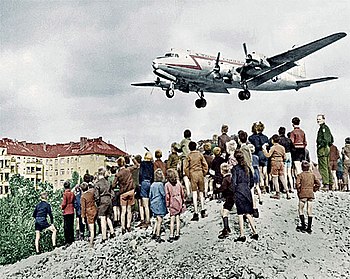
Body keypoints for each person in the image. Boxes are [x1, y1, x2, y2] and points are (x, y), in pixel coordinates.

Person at [231, 150, 258, 242]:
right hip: (247, 191)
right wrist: (247, 188)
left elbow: (233, 183)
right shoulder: (248, 168)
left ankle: (242, 235)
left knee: (240, 214)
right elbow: (252, 182)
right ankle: (255, 232)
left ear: (236, 159)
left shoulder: (235, 169)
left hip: (239, 190)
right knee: (248, 213)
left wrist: (234, 192)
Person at [113, 156, 140, 234]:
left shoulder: (118, 174)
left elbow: (113, 185)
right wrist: (133, 158)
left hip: (123, 193)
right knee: (129, 210)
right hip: (131, 191)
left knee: (123, 211)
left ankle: (123, 228)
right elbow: (137, 165)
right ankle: (128, 226)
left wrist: (118, 183)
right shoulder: (128, 170)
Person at [184, 141, 209, 221]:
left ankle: (195, 212)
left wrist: (189, 175)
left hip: (193, 174)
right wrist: (204, 173)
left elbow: (185, 168)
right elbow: (205, 165)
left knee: (194, 193)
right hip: (200, 173)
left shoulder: (188, 156)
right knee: (201, 192)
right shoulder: (200, 154)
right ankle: (203, 209)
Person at [296, 161, 321, 234]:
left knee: (301, 209)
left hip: (303, 193)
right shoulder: (312, 175)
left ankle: (303, 225)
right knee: (309, 210)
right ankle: (309, 228)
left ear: (302, 167)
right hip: (310, 193)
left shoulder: (300, 175)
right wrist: (314, 189)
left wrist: (299, 192)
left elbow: (297, 185)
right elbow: (318, 184)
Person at [263, 134, 291, 200]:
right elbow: (285, 157)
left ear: (272, 140)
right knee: (282, 177)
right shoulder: (282, 147)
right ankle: (287, 192)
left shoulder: (273, 147)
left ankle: (277, 193)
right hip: (281, 162)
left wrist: (264, 149)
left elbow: (268, 155)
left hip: (275, 162)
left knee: (275, 178)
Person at [94, 167, 115, 242]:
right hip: (109, 200)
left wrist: (97, 203)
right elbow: (112, 192)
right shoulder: (108, 182)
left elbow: (96, 196)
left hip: (102, 201)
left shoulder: (97, 183)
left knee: (102, 219)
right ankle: (112, 232)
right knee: (108, 217)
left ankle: (104, 237)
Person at [165, 168, 185, 242]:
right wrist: (183, 201)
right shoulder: (179, 183)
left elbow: (167, 196)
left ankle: (171, 234)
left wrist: (167, 205)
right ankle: (177, 233)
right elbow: (182, 193)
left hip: (172, 202)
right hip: (179, 200)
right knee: (178, 218)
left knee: (172, 219)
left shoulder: (167, 185)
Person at [249, 121, 269, 193]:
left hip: (258, 154)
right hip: (265, 154)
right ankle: (267, 185)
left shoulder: (252, 138)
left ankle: (262, 186)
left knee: (259, 171)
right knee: (265, 171)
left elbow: (255, 147)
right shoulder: (266, 137)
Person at [149, 169, 167, 243]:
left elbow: (150, 195)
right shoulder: (160, 185)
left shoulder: (152, 184)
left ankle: (153, 232)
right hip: (159, 203)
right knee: (160, 220)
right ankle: (158, 235)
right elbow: (163, 194)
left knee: (157, 219)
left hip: (153, 203)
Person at [316, 114, 334, 190]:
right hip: (326, 148)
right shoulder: (326, 128)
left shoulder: (323, 128)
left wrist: (320, 145)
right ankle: (330, 183)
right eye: (317, 119)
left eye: (319, 119)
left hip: (323, 148)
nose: (318, 120)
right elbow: (331, 139)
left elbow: (326, 140)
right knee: (327, 166)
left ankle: (326, 184)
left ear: (323, 119)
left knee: (323, 167)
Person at [217, 163, 234, 239]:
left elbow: (223, 188)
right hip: (233, 196)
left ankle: (226, 230)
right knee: (223, 210)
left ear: (222, 171)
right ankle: (227, 228)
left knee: (224, 212)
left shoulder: (225, 179)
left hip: (229, 197)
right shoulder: (231, 177)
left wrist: (216, 189)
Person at [139, 151, 154, 229]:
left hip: (144, 182)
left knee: (145, 204)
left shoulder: (143, 163)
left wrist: (140, 183)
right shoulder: (151, 164)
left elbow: (140, 174)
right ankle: (149, 218)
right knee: (149, 202)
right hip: (150, 182)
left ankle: (147, 220)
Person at [81, 182, 97, 247]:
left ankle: (91, 243)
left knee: (91, 228)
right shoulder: (91, 194)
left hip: (89, 211)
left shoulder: (83, 197)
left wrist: (82, 217)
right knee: (93, 224)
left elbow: (83, 208)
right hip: (94, 209)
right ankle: (93, 237)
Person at [278, 127, 294, 192]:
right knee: (289, 173)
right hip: (289, 154)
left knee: (284, 173)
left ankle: (286, 187)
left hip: (284, 155)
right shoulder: (289, 140)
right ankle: (292, 188)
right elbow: (293, 148)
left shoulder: (279, 140)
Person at [61, 180, 75, 245]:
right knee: (71, 225)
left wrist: (61, 207)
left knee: (66, 227)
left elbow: (64, 203)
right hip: (71, 210)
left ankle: (67, 240)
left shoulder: (65, 194)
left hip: (66, 211)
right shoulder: (72, 193)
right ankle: (72, 239)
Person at [179, 129, 192, 199]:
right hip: (191, 159)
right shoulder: (191, 142)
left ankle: (188, 192)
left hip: (185, 160)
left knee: (185, 175)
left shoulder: (183, 141)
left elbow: (179, 148)